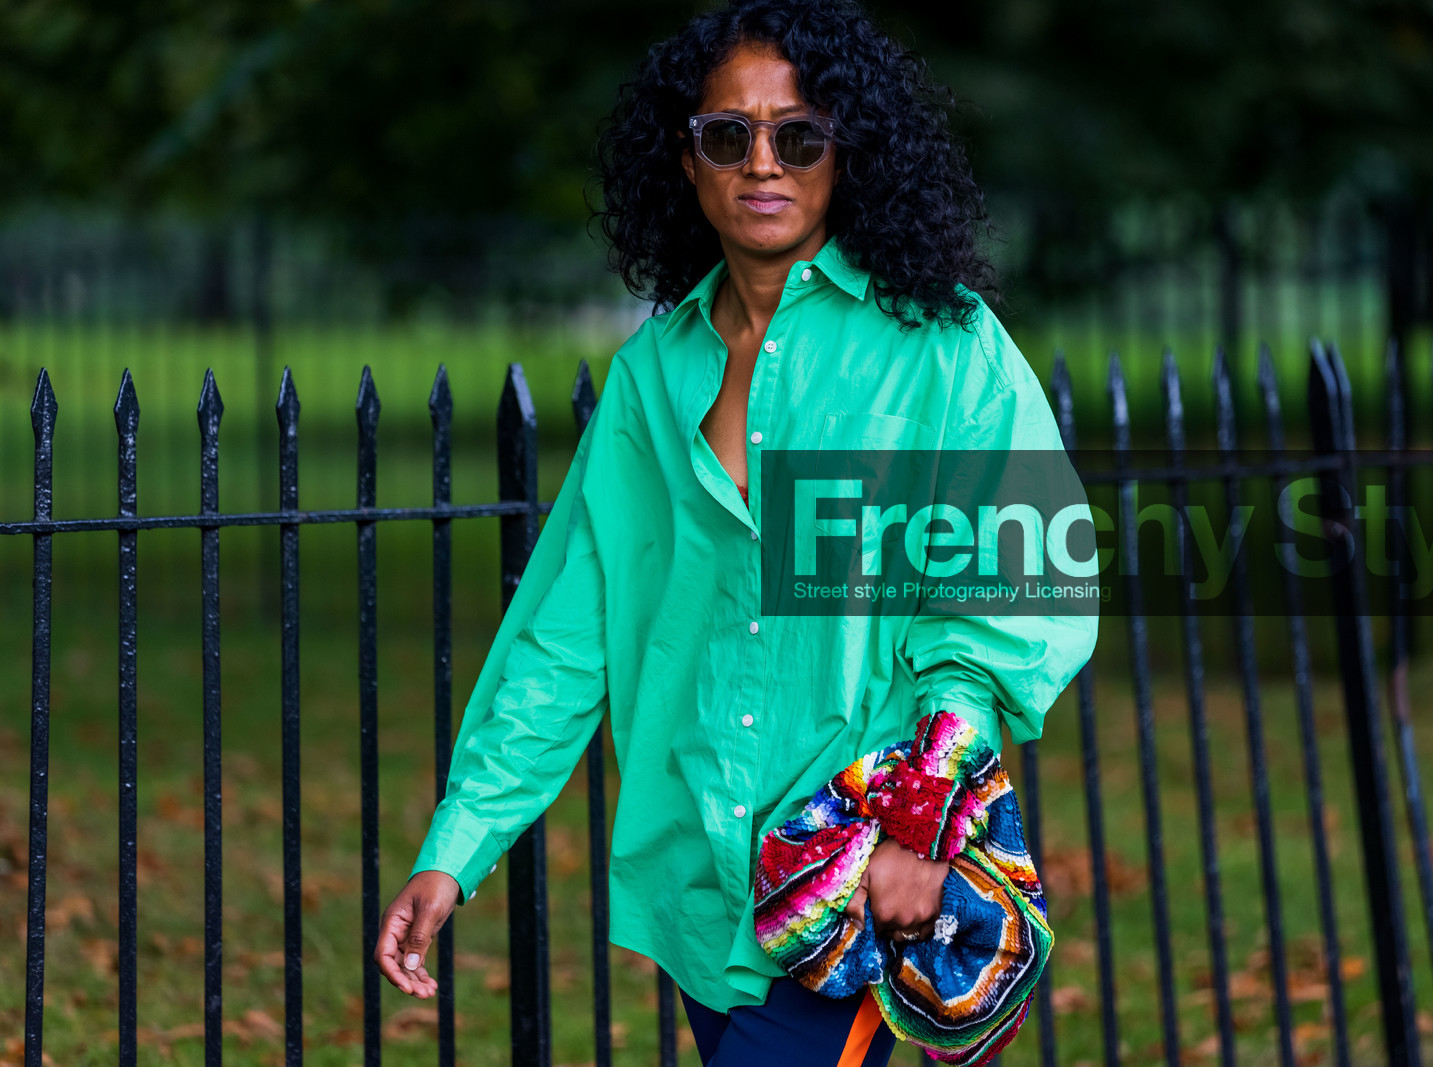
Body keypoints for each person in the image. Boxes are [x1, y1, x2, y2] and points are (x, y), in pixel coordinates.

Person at [373, 1, 1098, 1064]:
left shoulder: (944, 347)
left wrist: (918, 822)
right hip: (698, 877)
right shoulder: (650, 377)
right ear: (687, 157)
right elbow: (568, 631)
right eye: (730, 134)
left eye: (799, 134)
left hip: (853, 875)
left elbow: (1011, 590)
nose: (764, 161)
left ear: (845, 151)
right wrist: (458, 845)